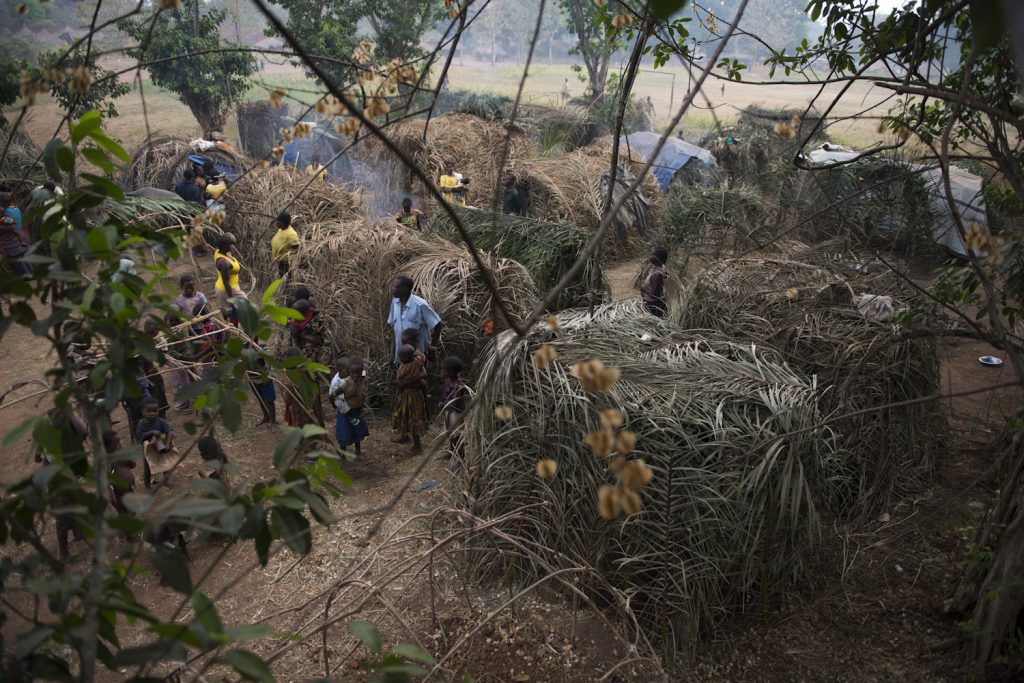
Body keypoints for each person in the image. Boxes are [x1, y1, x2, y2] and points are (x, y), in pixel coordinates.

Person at [387, 275, 442, 364]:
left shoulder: (420, 304)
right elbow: (395, 329)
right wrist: (392, 354)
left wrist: (432, 348)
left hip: (419, 357)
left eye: (396, 287)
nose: (393, 289)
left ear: (405, 289)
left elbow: (438, 324)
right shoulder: (395, 303)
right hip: (401, 356)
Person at [392, 344, 427, 454]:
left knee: (412, 420)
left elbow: (399, 382)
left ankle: (417, 447)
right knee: (411, 418)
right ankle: (406, 437)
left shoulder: (404, 368)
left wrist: (401, 383)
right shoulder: (417, 362)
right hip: (416, 395)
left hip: (409, 397)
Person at [134, 396, 175, 489]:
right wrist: (151, 432)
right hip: (148, 450)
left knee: (166, 464)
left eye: (155, 411)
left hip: (162, 447)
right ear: (142, 412)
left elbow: (170, 432)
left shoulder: (161, 422)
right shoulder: (141, 424)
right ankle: (147, 486)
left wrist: (168, 444)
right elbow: (139, 436)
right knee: (148, 468)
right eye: (149, 411)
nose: (152, 413)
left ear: (158, 410)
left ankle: (166, 481)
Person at [441, 356, 468, 456]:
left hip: (456, 412)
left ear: (451, 372)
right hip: (449, 410)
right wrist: (443, 401)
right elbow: (444, 392)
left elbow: (457, 401)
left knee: (457, 433)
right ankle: (452, 451)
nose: (442, 371)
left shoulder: (459, 385)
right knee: (449, 431)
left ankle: (460, 454)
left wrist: (446, 403)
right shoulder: (447, 380)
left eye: (444, 369)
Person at [0, 192, 30, 278]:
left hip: (10, 239)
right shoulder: (16, 209)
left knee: (15, 261)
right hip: (17, 236)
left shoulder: (6, 212)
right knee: (20, 260)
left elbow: (11, 225)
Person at [213, 233, 246, 307]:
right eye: (229, 244)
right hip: (227, 290)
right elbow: (226, 283)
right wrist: (232, 300)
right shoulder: (224, 263)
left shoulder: (219, 251)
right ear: (224, 246)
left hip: (233, 287)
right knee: (244, 308)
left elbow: (232, 239)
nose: (232, 246)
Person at [640, 247, 668, 318]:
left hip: (654, 305)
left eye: (652, 255)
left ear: (657, 258)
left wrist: (643, 288)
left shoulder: (658, 274)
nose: (650, 257)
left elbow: (655, 295)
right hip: (654, 303)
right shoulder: (657, 268)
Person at [270, 211, 300, 278]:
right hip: (279, 261)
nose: (276, 222)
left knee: (285, 280)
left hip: (286, 264)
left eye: (278, 221)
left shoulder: (291, 234)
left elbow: (296, 249)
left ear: (284, 222)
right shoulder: (281, 229)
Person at [250, 354, 277, 426]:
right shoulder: (242, 348)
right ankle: (266, 417)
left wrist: (268, 372)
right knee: (260, 398)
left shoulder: (260, 346)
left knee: (269, 400)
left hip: (265, 379)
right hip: (253, 380)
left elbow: (270, 358)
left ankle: (273, 421)